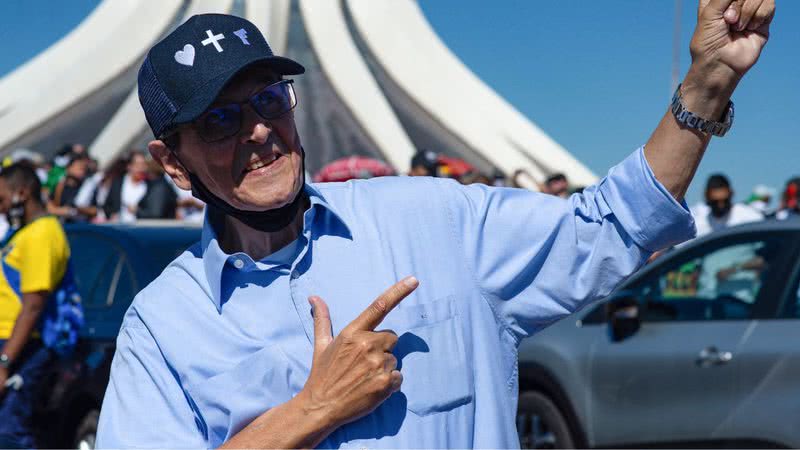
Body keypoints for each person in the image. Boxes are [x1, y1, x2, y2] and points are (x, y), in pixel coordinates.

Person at [97, 2, 775, 447]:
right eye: (220, 120)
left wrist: (707, 85)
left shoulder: (430, 219)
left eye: (269, 100)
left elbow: (609, 228)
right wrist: (312, 410)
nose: (259, 133)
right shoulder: (165, 326)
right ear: (172, 164)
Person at [0, 164, 71, 448]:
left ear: (22, 193)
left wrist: (5, 362)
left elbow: (33, 304)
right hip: (12, 345)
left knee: (9, 432)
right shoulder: (23, 233)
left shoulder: (43, 233)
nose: (2, 208)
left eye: (2, 200)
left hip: (25, 347)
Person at [690, 173, 763, 237]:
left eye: (725, 200)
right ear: (707, 197)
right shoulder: (697, 225)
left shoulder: (750, 218)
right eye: (715, 202)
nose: (721, 205)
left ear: (731, 194)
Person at [103, 149, 150, 223]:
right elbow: (107, 205)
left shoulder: (150, 185)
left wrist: (138, 211)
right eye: (137, 165)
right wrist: (112, 215)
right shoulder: (118, 183)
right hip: (120, 227)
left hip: (141, 228)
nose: (141, 168)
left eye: (143, 164)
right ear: (129, 166)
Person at [47, 154, 97, 222]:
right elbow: (50, 206)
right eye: (79, 167)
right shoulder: (60, 186)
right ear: (68, 168)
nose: (82, 170)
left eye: (84, 168)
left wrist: (79, 209)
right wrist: (62, 211)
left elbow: (95, 210)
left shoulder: (88, 187)